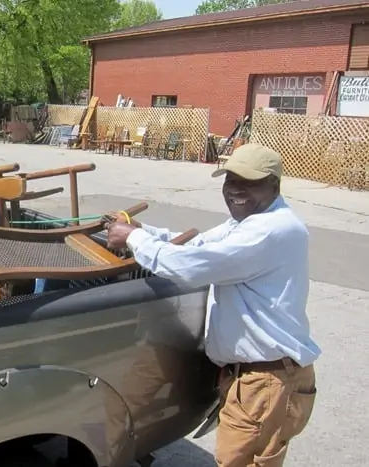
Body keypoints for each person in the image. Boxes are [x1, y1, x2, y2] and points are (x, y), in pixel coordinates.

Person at [105, 143, 321, 467]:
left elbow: (194, 266)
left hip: (265, 381)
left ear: (274, 185)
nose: (235, 190)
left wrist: (133, 240)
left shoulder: (269, 230)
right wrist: (141, 231)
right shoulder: (250, 221)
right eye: (231, 180)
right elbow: (199, 244)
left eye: (248, 182)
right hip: (256, 377)